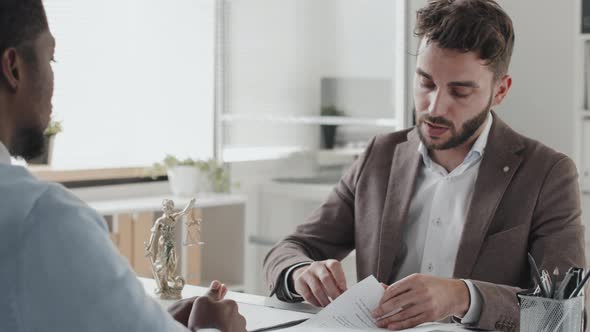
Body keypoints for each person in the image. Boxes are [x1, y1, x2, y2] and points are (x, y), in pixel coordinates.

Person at [263, 0, 585, 331]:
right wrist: (300, 272)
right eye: (426, 83)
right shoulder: (380, 156)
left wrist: (465, 297)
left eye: (459, 92)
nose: (434, 107)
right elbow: (289, 250)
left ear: (500, 90)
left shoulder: (548, 174)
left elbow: (563, 317)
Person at [0, 0, 246, 331]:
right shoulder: (42, 219)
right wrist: (213, 329)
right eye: (51, 57)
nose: (53, 78)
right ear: (13, 68)